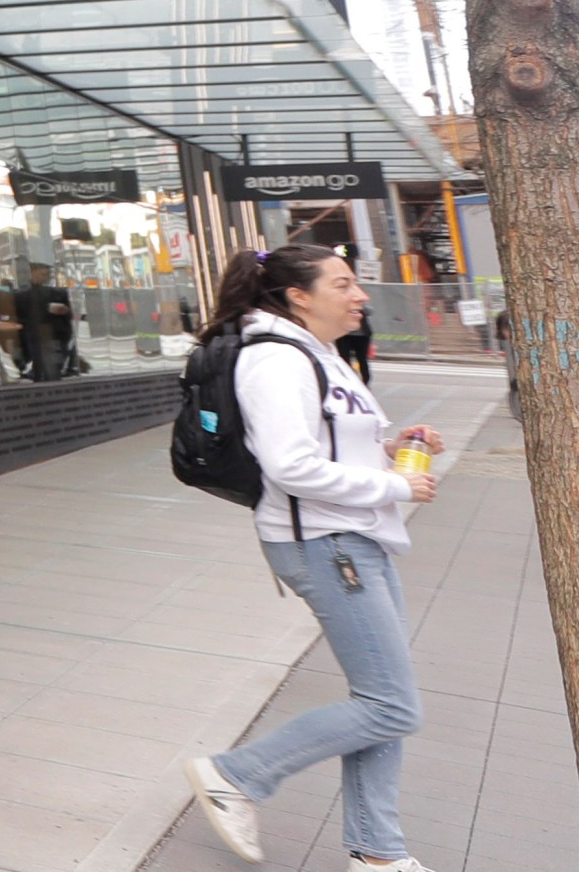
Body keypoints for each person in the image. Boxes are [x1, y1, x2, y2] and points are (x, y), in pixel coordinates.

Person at [182, 245, 444, 871]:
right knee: (392, 705)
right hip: (325, 545)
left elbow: (331, 445)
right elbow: (291, 466)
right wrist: (396, 487)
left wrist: (390, 448)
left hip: (354, 539)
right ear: (299, 295)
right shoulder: (275, 359)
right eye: (344, 283)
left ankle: (378, 855)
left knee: (380, 701)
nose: (360, 295)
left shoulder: (316, 353)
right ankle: (235, 776)